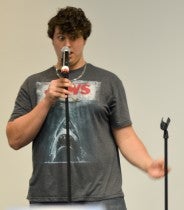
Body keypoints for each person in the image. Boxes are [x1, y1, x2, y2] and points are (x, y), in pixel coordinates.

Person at [6, 6, 166, 209]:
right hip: (48, 198)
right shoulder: (33, 83)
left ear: (85, 39)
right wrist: (46, 101)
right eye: (61, 37)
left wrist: (147, 164)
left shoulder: (108, 81)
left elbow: (124, 134)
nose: (67, 45)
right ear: (52, 40)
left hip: (103, 196)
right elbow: (14, 139)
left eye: (74, 37)